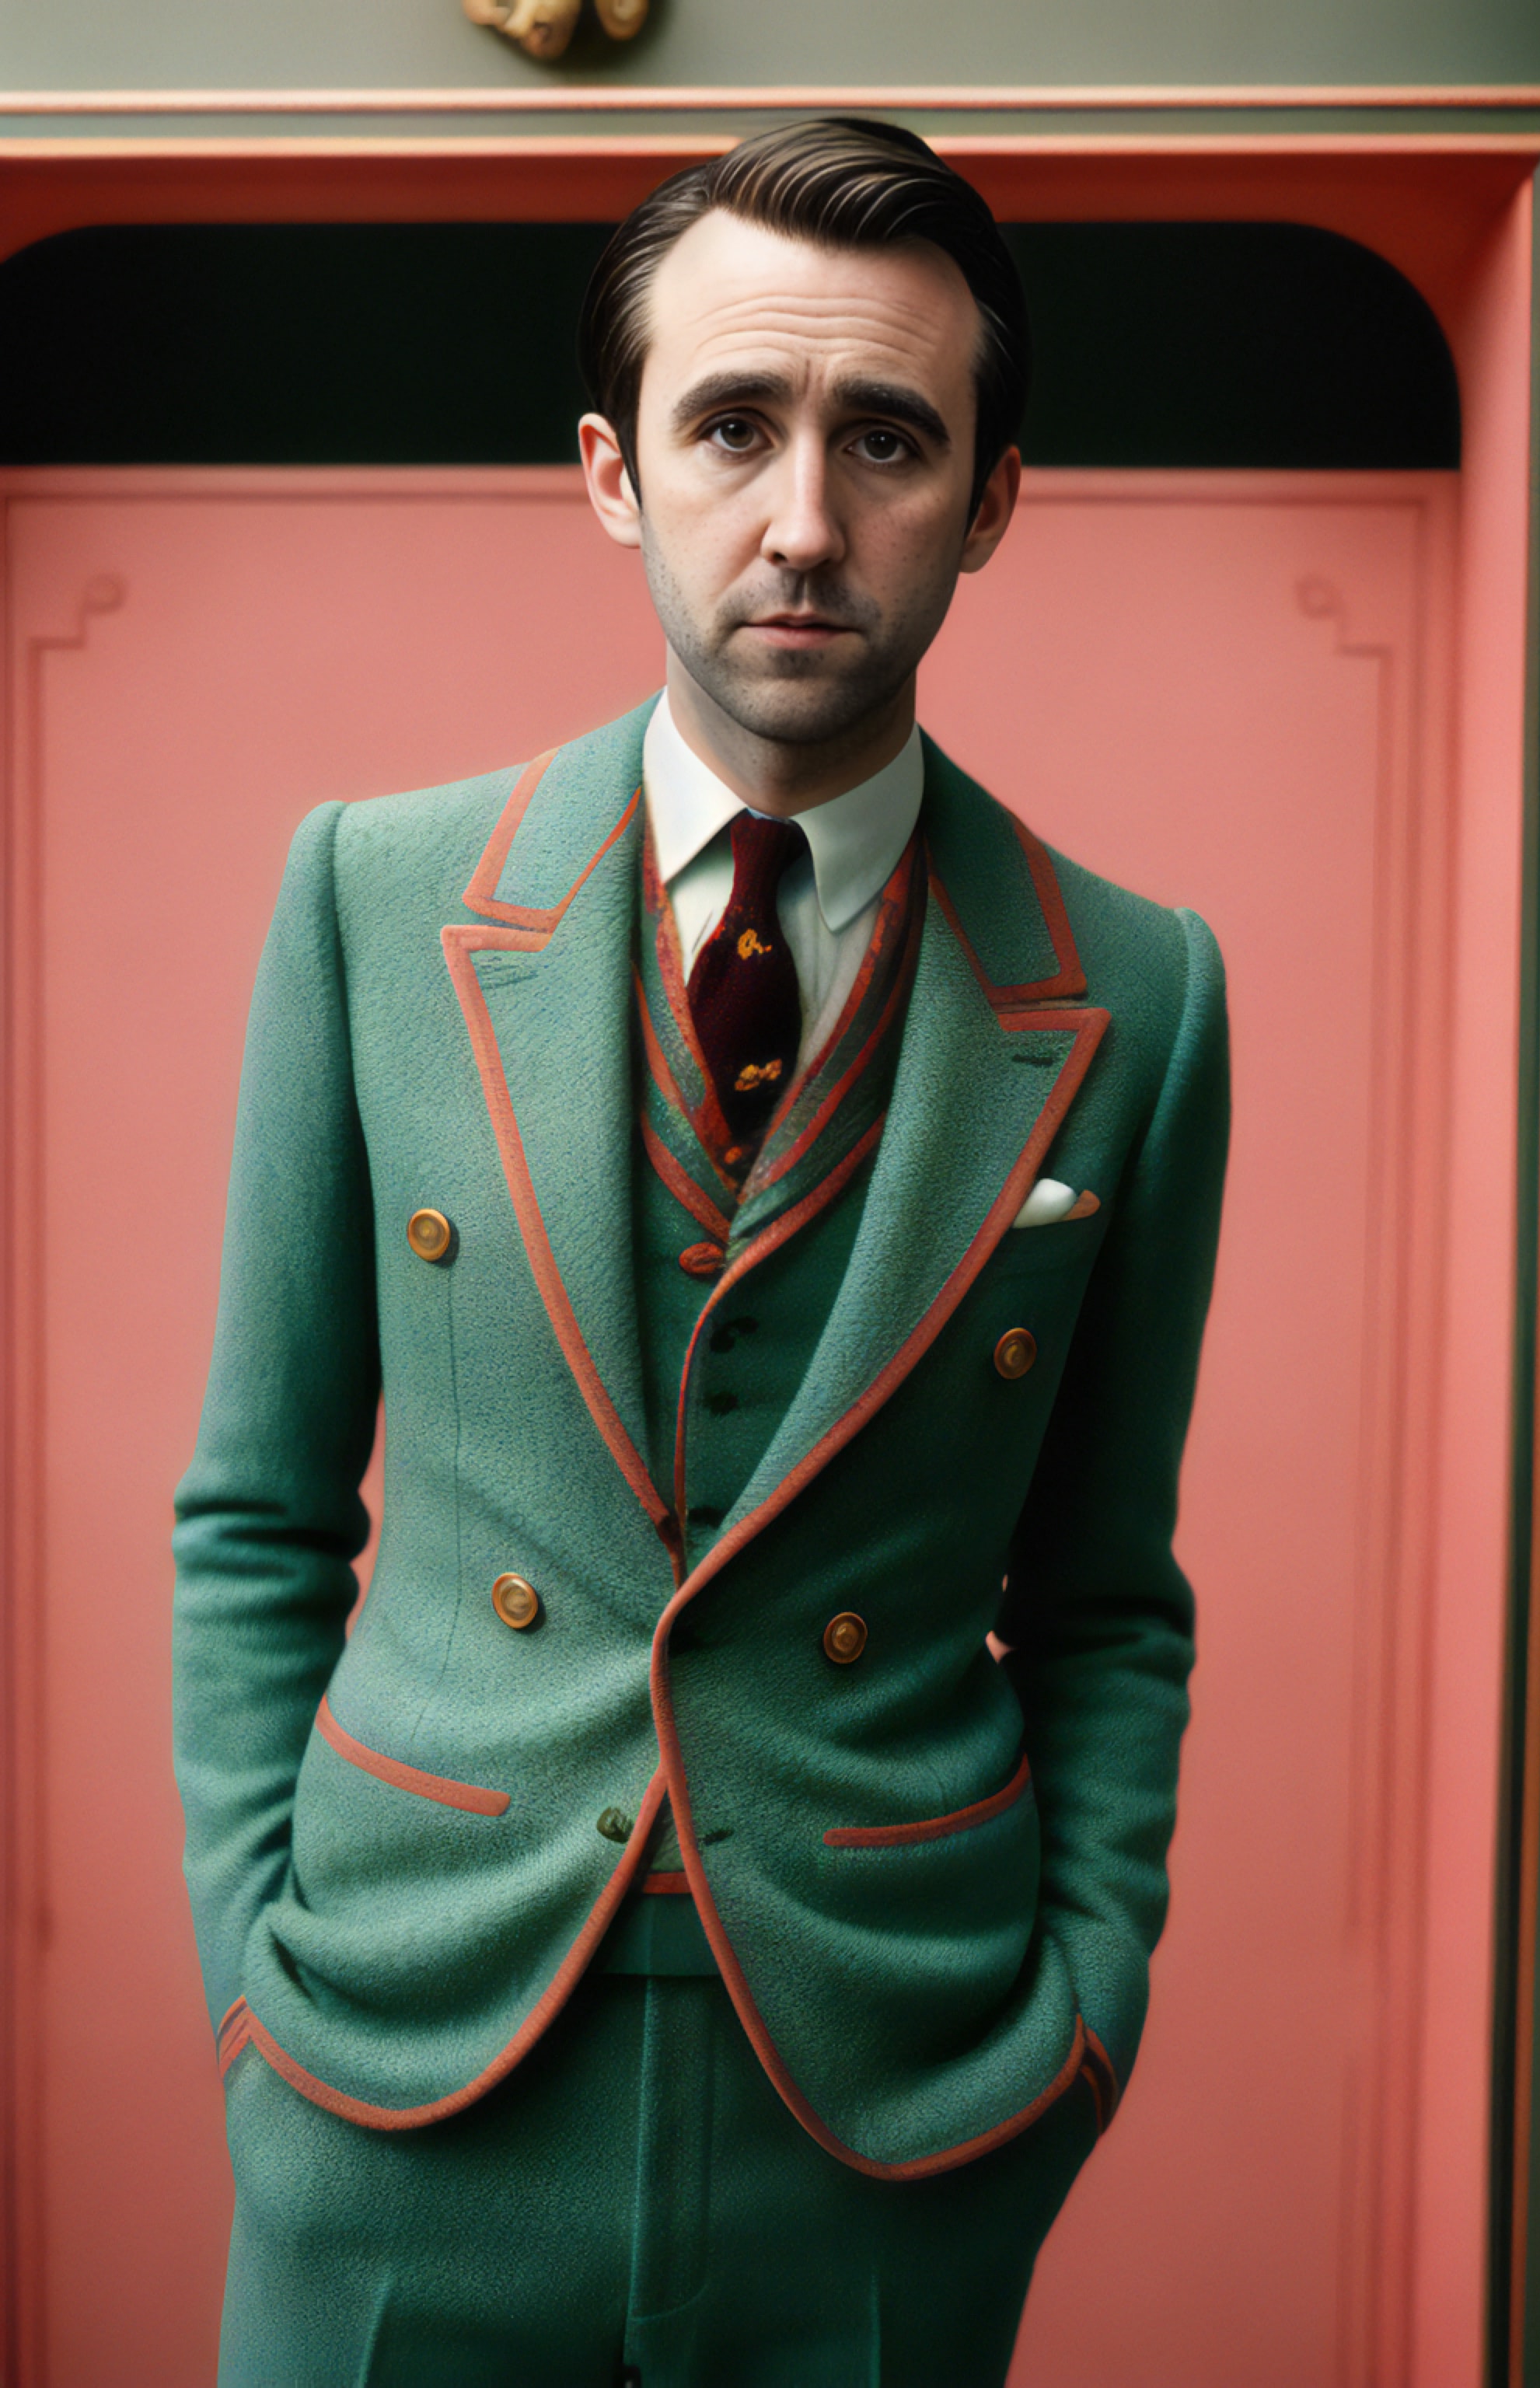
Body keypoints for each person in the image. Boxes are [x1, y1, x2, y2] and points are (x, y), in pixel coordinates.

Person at [173, 116, 1229, 2387]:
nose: (808, 521)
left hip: (888, 2113)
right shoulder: (372, 898)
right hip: (401, 2072)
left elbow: (1113, 1600)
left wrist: (1075, 2038)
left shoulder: (1142, 991)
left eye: (890, 440)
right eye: (734, 427)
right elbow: (255, 1517)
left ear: (998, 495)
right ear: (612, 473)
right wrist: (257, 2004)